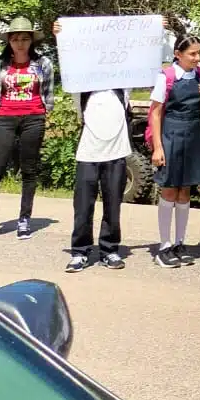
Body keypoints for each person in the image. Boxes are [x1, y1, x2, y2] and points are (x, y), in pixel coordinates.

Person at [0, 16, 57, 243]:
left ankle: (24, 219)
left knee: (29, 170)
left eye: (25, 38)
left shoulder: (43, 63)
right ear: (9, 41)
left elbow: (48, 92)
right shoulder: (0, 64)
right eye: (15, 39)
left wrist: (45, 112)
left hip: (33, 117)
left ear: (31, 41)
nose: (20, 43)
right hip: (6, 117)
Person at [55, 23, 130, 273]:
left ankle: (109, 249)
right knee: (83, 205)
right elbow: (67, 59)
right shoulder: (81, 85)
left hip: (117, 151)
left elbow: (145, 58)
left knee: (113, 204)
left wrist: (159, 32)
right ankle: (80, 251)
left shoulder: (124, 84)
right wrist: (60, 35)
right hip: (88, 152)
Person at [148, 35, 200, 268]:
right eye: (192, 54)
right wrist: (158, 147)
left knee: (185, 190)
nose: (197, 58)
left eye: (199, 53)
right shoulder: (166, 76)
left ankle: (179, 242)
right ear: (178, 54)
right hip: (171, 134)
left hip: (193, 134)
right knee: (169, 190)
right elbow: (155, 112)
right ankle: (164, 245)